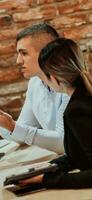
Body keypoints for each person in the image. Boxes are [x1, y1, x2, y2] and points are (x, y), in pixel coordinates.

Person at [0, 23, 70, 153]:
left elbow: (64, 143)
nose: (18, 61)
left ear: (47, 52)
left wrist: (11, 126)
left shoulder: (69, 85)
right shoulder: (35, 83)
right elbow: (22, 134)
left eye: (24, 53)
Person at [19, 38, 92, 188]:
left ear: (52, 77)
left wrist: (45, 181)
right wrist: (50, 166)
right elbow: (79, 155)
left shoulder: (77, 109)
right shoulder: (82, 98)